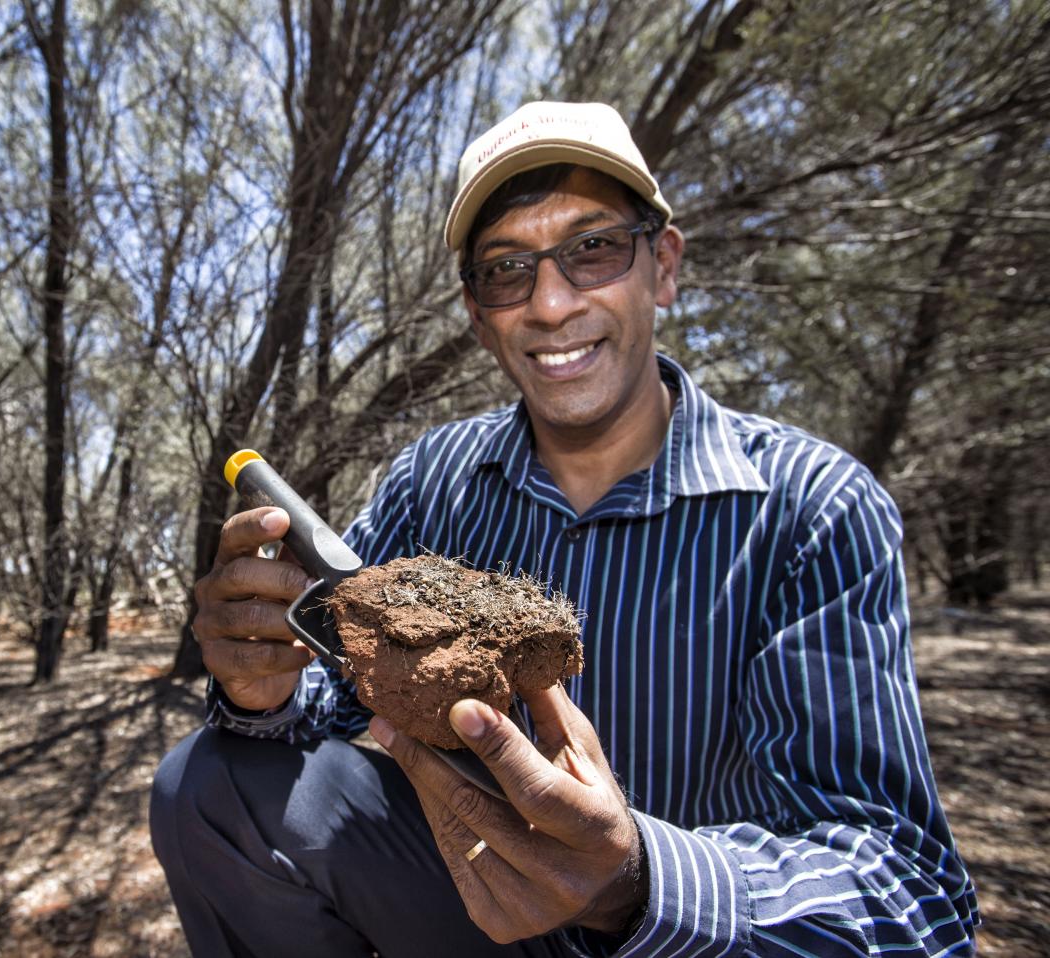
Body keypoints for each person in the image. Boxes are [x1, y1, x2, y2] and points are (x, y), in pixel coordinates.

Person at [151, 101, 978, 957]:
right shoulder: (432, 482)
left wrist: (638, 881)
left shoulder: (811, 509)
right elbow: (328, 697)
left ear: (663, 265)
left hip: (701, 941)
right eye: (507, 269)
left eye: (594, 247)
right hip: (468, 904)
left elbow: (911, 893)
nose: (550, 302)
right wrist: (263, 686)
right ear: (479, 316)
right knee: (205, 784)